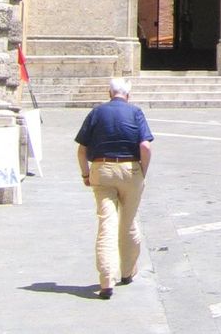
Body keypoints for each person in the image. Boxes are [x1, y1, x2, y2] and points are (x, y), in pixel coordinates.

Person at [75, 77, 154, 299]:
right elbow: (145, 146)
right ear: (127, 95)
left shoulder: (97, 112)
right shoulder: (135, 112)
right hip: (130, 170)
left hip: (101, 169)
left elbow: (82, 150)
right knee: (128, 223)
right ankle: (127, 272)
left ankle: (106, 279)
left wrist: (85, 173)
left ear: (109, 93)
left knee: (106, 224)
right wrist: (142, 171)